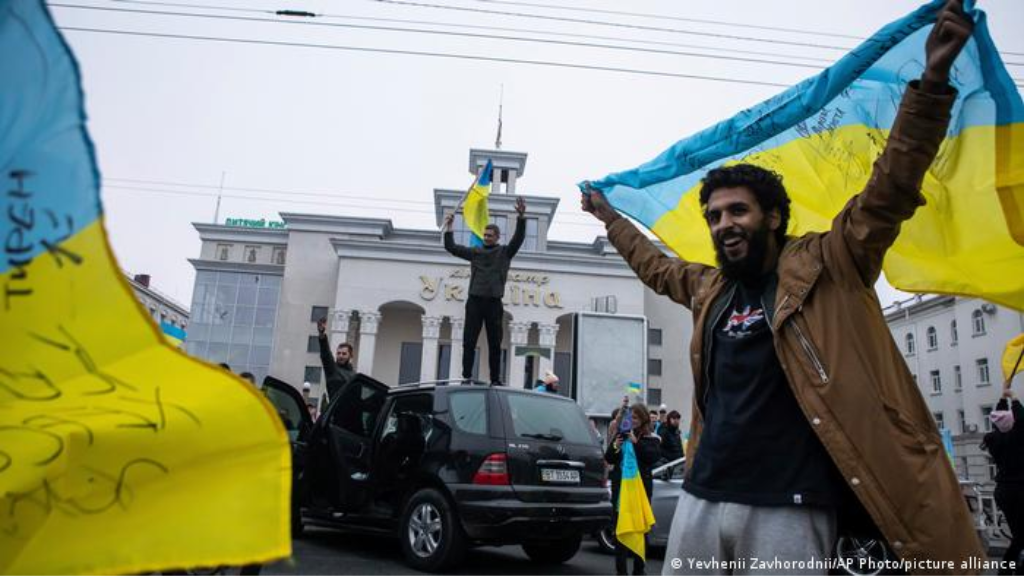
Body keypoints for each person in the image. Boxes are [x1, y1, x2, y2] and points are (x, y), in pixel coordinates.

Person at [582, 1, 982, 570]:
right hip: (703, 494)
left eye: (737, 211)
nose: (724, 225)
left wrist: (931, 81)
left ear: (771, 217)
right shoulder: (711, 289)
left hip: (789, 506)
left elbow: (891, 187)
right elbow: (655, 266)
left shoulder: (831, 263)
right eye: (715, 217)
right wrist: (610, 221)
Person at [442, 196, 527, 385]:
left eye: (490, 235)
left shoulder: (505, 252)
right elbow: (451, 247)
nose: (486, 238)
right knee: (469, 341)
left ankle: (495, 379)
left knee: (495, 344)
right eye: (485, 235)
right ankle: (466, 376)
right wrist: (449, 227)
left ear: (497, 237)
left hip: (494, 303)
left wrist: (521, 217)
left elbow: (518, 239)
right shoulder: (475, 252)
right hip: (474, 302)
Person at [605, 400, 660, 576]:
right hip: (621, 491)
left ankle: (639, 570)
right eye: (632, 417)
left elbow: (652, 458)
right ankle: (621, 571)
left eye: (637, 417)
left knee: (640, 530)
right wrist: (616, 445)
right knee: (620, 531)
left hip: (640, 492)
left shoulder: (651, 438)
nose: (633, 420)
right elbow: (610, 458)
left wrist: (636, 443)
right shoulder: (621, 433)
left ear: (644, 419)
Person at [982, 388, 1024, 575]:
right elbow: (1021, 419)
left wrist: (1002, 399)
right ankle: (1007, 570)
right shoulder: (1017, 438)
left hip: (1003, 492)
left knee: (1019, 534)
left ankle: (1011, 569)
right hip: (1019, 491)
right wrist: (1014, 398)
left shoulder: (995, 439)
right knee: (1021, 536)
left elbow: (999, 420)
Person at [316, 317, 355, 401]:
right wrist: (322, 335)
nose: (340, 356)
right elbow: (325, 354)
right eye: (338, 353)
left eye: (344, 354)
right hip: (336, 411)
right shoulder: (332, 369)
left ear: (350, 356)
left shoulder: (354, 376)